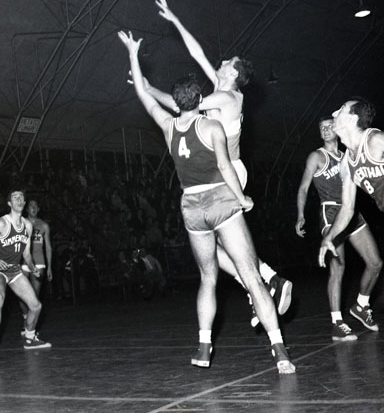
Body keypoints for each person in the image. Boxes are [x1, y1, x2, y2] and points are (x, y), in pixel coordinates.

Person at [119, 30, 295, 374]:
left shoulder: (170, 124)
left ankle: (203, 344)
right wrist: (242, 198)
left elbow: (145, 95)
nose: (222, 61)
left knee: (207, 277)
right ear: (199, 97)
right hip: (221, 193)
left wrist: (134, 60)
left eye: (228, 62)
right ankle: (279, 347)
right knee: (250, 275)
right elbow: (225, 167)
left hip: (191, 205)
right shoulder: (212, 125)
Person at [146, 0, 292, 325]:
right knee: (211, 245)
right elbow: (197, 53)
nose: (222, 60)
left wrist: (148, 89)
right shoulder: (218, 85)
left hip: (229, 173)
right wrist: (175, 20)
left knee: (215, 246)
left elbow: (180, 105)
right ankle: (267, 279)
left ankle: (261, 282)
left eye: (228, 61)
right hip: (217, 172)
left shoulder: (228, 97)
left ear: (234, 73)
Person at [296, 116, 382, 340]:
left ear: (337, 129)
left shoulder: (348, 156)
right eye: (321, 128)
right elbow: (303, 188)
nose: (325, 130)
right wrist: (300, 215)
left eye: (328, 126)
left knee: (375, 263)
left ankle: (361, 305)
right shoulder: (316, 156)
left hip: (350, 211)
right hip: (331, 212)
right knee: (338, 266)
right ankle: (337, 322)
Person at [318, 98, 384, 332]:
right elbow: (347, 209)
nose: (335, 112)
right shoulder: (347, 162)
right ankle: (361, 306)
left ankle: (361, 306)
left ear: (353, 118)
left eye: (342, 109)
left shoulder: (376, 140)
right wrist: (329, 237)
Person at [0, 190, 51, 360]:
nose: (19, 199)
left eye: (21, 197)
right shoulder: (2, 223)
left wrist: (33, 268)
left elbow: (26, 255)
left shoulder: (28, 226)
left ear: (24, 203)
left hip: (15, 270)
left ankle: (30, 338)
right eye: (15, 197)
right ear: (9, 203)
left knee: (36, 306)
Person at [19, 199, 53, 335]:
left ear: (38, 209)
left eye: (35, 206)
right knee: (21, 295)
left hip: (39, 263)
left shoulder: (44, 225)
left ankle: (30, 328)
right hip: (23, 262)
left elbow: (48, 247)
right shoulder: (21, 223)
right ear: (27, 209)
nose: (33, 208)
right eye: (31, 206)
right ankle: (26, 317)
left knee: (34, 296)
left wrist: (49, 267)